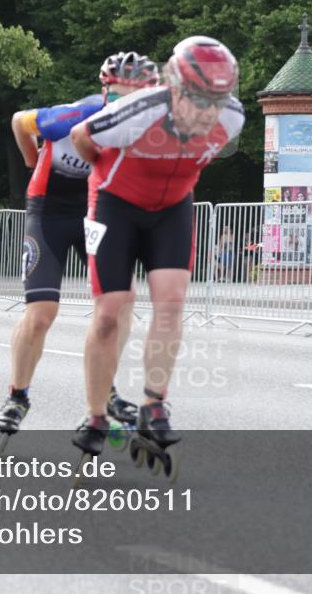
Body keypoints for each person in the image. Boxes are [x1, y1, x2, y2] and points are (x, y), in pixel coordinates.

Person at [68, 36, 245, 457]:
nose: (209, 112)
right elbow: (80, 135)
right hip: (115, 203)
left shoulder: (233, 118)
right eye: (200, 99)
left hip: (172, 208)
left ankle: (154, 403)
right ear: (176, 89)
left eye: (218, 101)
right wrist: (103, 169)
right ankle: (95, 414)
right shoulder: (142, 109)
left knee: (171, 302)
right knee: (111, 311)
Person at [0, 52, 160, 438]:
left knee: (121, 302)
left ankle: (107, 390)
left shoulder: (145, 131)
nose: (126, 103)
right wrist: (33, 160)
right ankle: (18, 395)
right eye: (118, 95)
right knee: (41, 314)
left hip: (94, 214)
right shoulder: (71, 116)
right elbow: (19, 121)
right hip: (48, 212)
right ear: (105, 91)